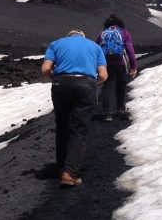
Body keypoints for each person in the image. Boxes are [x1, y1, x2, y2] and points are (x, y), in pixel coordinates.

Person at [41, 29, 107, 187]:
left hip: (60, 84)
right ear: (83, 36)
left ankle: (61, 168)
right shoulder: (95, 47)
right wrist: (92, 84)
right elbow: (103, 75)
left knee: (62, 125)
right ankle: (70, 173)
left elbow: (45, 69)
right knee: (79, 128)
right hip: (86, 85)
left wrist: (55, 78)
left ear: (69, 36)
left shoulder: (56, 44)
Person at [96, 15, 138, 122]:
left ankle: (107, 113)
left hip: (107, 65)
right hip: (121, 64)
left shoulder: (102, 34)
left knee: (108, 87)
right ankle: (120, 110)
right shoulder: (124, 32)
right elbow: (130, 50)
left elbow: (96, 50)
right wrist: (134, 66)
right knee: (121, 87)